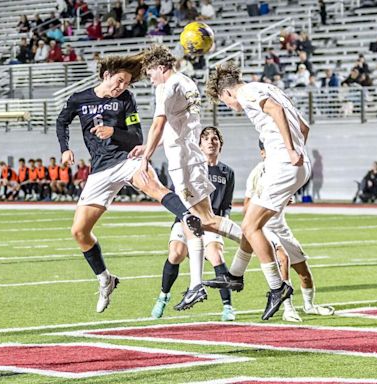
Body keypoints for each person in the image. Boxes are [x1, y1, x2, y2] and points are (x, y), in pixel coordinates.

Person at [56, 53, 203, 313]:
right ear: (105, 76)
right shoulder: (79, 99)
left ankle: (187, 215)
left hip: (126, 160)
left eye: (126, 83)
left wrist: (114, 132)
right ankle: (105, 279)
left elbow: (136, 136)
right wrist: (65, 149)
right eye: (119, 81)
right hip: (100, 170)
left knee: (152, 186)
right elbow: (62, 121)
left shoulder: (125, 99)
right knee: (79, 232)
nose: (121, 87)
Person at [132, 45, 248, 312]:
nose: (150, 79)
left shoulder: (167, 86)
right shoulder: (187, 82)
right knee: (195, 221)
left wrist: (146, 156)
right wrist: (151, 147)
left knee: (203, 220)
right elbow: (177, 127)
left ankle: (256, 239)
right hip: (191, 158)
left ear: (161, 67)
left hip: (183, 162)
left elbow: (160, 123)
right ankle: (196, 284)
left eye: (150, 73)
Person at [203, 61, 311, 320]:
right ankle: (235, 276)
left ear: (227, 92)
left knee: (251, 228)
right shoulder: (269, 87)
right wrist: (296, 155)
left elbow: (274, 111)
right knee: (249, 222)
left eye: (224, 102)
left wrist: (289, 151)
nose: (230, 106)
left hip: (283, 163)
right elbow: (304, 126)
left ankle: (277, 287)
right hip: (291, 166)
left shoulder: (247, 92)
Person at [151, 126, 236, 321]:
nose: (210, 142)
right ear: (199, 144)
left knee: (216, 255)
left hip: (210, 222)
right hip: (186, 219)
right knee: (176, 253)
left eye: (215, 138)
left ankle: (227, 307)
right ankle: (163, 297)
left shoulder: (227, 172)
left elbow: (227, 204)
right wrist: (184, 216)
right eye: (206, 138)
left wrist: (224, 222)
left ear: (220, 144)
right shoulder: (191, 167)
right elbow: (177, 196)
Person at [245, 141, 335, 322]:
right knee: (283, 259)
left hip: (281, 227)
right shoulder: (258, 173)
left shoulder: (284, 170)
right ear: (263, 153)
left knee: (304, 272)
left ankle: (309, 306)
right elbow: (247, 206)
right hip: (265, 227)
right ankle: (288, 308)